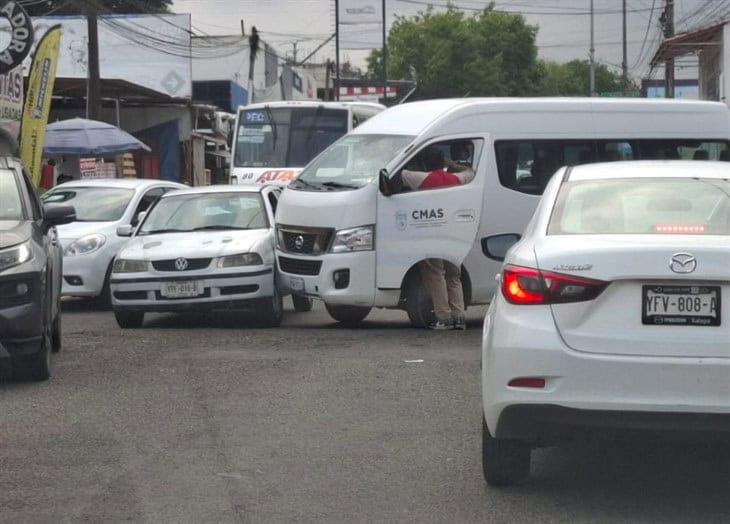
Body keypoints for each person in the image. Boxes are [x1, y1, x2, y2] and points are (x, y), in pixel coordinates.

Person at [399, 144, 475, 330]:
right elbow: (471, 171)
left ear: (425, 162)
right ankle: (459, 317)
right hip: (454, 235)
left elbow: (400, 173)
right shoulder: (456, 179)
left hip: (431, 235)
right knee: (453, 276)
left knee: (435, 274)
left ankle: (443, 318)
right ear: (442, 162)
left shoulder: (421, 178)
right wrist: (451, 164)